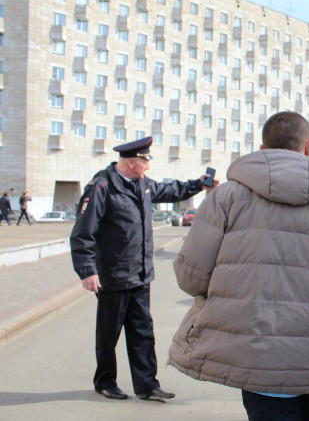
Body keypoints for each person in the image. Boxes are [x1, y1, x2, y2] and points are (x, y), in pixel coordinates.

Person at [168, 112, 309, 421]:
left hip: (256, 354)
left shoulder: (226, 198)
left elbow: (190, 278)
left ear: (262, 149)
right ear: (308, 146)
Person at [70, 136, 215, 402]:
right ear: (131, 161)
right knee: (108, 334)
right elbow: (82, 233)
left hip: (140, 275)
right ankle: (105, 382)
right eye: (146, 160)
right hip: (113, 277)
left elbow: (172, 191)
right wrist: (87, 270)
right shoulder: (102, 187)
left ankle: (147, 385)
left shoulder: (143, 185)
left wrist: (199, 184)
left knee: (142, 333)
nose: (149, 166)